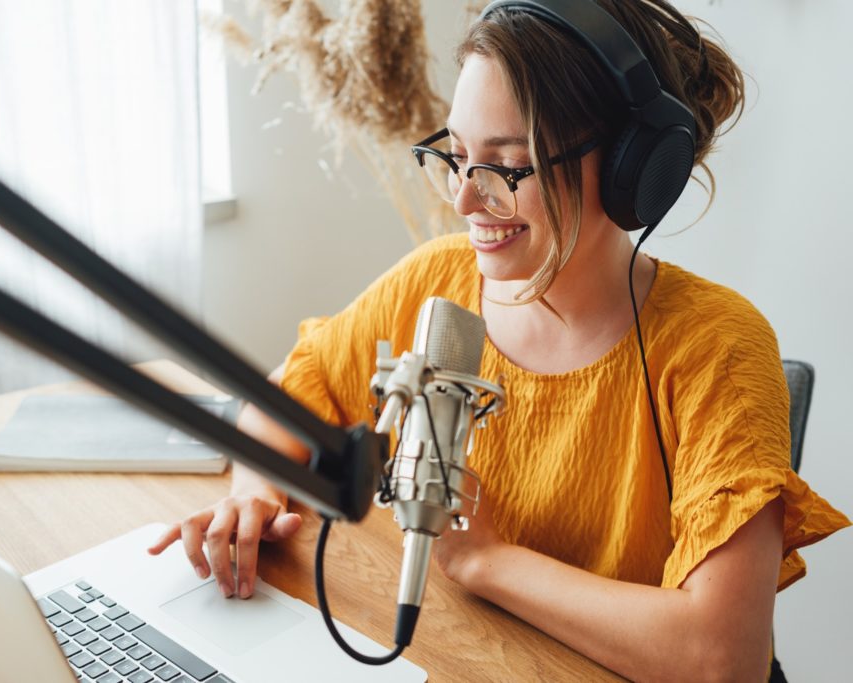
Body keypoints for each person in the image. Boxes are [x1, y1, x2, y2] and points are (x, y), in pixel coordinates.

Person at [150, 1, 850, 680]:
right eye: (457, 155)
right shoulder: (437, 281)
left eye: (508, 166)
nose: (462, 199)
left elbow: (721, 658)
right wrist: (254, 492)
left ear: (630, 170)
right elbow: (294, 387)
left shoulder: (717, 348)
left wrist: (489, 560)